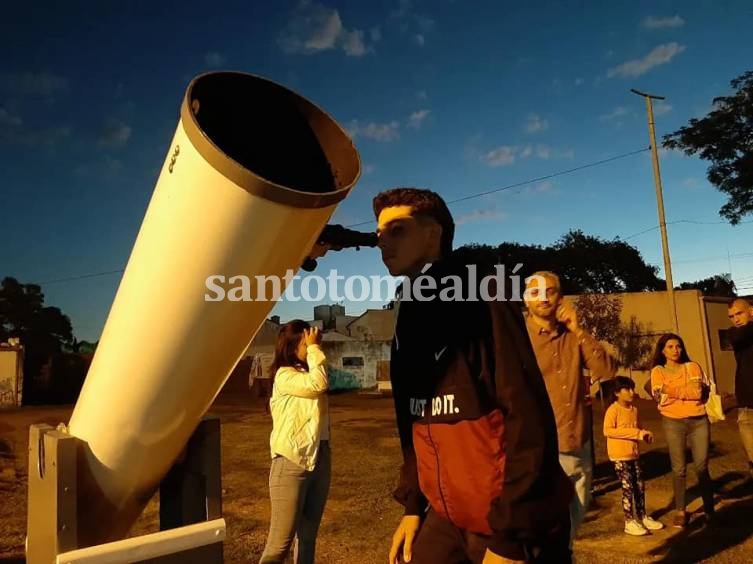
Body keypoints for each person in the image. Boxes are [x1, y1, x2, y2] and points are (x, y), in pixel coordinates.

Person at [374, 188, 573, 564]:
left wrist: (511, 538)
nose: (381, 242)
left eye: (396, 230)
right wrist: (414, 505)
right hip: (449, 517)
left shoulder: (482, 294)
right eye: (378, 234)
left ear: (433, 234)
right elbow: (410, 421)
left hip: (508, 520)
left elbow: (527, 414)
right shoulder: (410, 309)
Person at [523, 271, 616, 542]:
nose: (543, 297)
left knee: (571, 529)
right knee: (536, 530)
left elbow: (608, 371)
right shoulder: (518, 338)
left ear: (560, 298)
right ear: (526, 299)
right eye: (535, 292)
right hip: (538, 447)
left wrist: (578, 329)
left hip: (577, 442)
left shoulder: (574, 335)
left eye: (550, 291)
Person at [259, 321, 331, 564]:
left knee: (308, 538)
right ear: (291, 347)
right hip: (291, 462)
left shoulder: (310, 370)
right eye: (305, 341)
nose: (312, 344)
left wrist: (313, 352)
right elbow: (318, 385)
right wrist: (315, 350)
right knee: (280, 544)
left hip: (320, 458)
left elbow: (319, 381)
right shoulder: (284, 375)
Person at [649, 333, 714, 528]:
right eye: (670, 347)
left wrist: (671, 390)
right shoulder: (657, 371)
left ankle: (710, 509)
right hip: (673, 422)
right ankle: (680, 510)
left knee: (702, 466)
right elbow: (659, 398)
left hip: (698, 421)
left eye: (678, 346)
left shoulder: (692, 366)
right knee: (679, 468)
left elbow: (697, 393)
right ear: (662, 350)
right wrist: (682, 390)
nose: (675, 350)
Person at [603, 376, 664, 536]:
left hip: (633, 455)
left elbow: (639, 429)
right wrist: (635, 433)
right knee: (628, 487)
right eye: (627, 389)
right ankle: (629, 521)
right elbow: (608, 431)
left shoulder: (634, 410)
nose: (632, 392)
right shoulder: (613, 410)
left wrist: (644, 436)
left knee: (639, 485)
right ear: (617, 392)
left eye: (632, 388)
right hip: (619, 456)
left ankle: (643, 516)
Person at [727, 298, 753, 478]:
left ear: (751, 310)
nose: (735, 319)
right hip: (746, 405)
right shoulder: (736, 334)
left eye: (739, 313)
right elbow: (738, 336)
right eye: (731, 316)